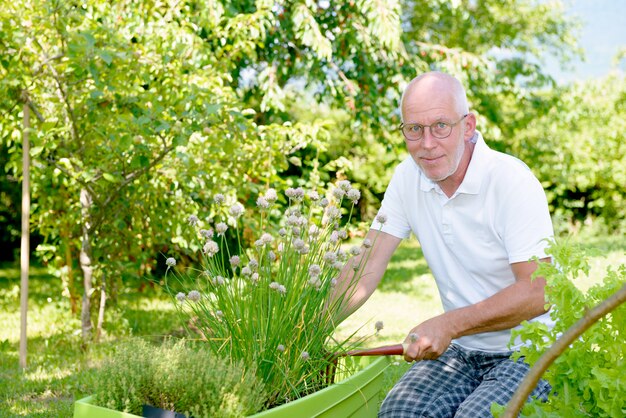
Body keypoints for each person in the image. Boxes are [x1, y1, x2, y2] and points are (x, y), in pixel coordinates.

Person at [334, 71, 554, 417]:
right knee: (398, 413)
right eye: (414, 129)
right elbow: (365, 267)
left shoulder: (511, 181)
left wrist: (449, 324)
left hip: (530, 350)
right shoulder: (408, 177)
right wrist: (308, 327)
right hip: (459, 352)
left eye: (440, 126)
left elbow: (539, 291)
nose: (426, 143)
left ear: (468, 126)